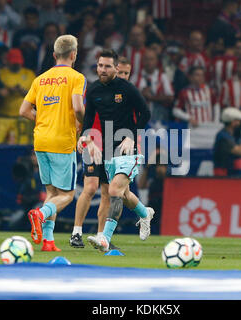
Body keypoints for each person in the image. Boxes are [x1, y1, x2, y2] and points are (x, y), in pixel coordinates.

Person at [78, 49, 152, 253]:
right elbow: (87, 120)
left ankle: (104, 238)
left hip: (129, 147)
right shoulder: (93, 90)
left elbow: (146, 113)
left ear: (116, 68)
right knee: (125, 194)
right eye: (100, 65)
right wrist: (87, 138)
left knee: (113, 191)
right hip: (107, 149)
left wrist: (131, 136)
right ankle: (145, 213)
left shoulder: (127, 89)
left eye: (107, 66)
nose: (103, 69)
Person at [19, 34, 86, 252]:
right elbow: (77, 107)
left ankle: (48, 242)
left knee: (51, 193)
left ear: (55, 55)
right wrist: (81, 123)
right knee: (66, 195)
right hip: (62, 141)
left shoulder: (40, 79)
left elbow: (24, 110)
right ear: (74, 55)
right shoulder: (77, 77)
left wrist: (44, 118)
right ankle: (40, 213)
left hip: (41, 140)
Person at [69, 53, 133, 249]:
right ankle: (76, 233)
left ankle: (101, 237)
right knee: (89, 187)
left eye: (126, 73)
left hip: (112, 146)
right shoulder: (99, 89)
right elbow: (85, 114)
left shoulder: (127, 94)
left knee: (107, 192)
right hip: (93, 141)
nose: (122, 76)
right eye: (119, 71)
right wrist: (86, 137)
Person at [0, 48, 36, 145]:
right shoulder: (1, 73)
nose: (16, 64)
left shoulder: (29, 74)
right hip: (3, 117)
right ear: (8, 61)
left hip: (22, 119)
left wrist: (23, 91)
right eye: (13, 62)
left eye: (18, 62)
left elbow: (36, 94)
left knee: (21, 145)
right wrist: (9, 90)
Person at [132, 48, 174, 122]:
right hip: (139, 119)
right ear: (142, 61)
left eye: (151, 59)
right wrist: (140, 94)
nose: (149, 62)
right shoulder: (135, 78)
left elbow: (170, 97)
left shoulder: (163, 77)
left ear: (156, 61)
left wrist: (152, 98)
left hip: (159, 119)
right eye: (146, 59)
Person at [213, 107, 241, 176]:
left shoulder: (235, 135)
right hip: (223, 176)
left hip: (233, 172)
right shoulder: (223, 136)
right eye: (239, 121)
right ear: (233, 122)